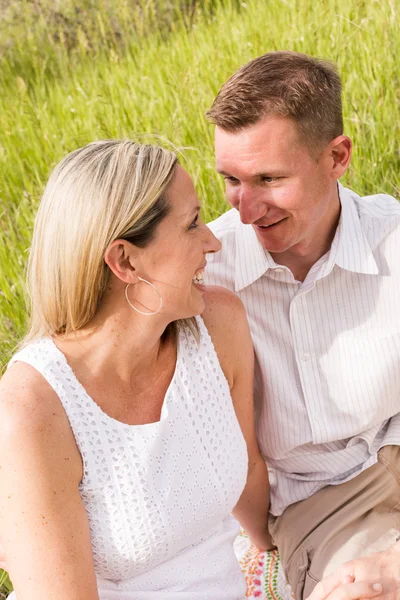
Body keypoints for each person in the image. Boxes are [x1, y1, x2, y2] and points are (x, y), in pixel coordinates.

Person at [0, 140, 273, 600]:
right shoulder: (33, 407)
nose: (213, 242)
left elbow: (248, 470)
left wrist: (295, 558)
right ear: (125, 260)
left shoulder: (219, 325)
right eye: (191, 225)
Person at [204, 50, 400, 600]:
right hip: (325, 497)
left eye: (269, 178)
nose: (246, 210)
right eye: (231, 180)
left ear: (337, 157)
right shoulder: (208, 275)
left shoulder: (395, 240)